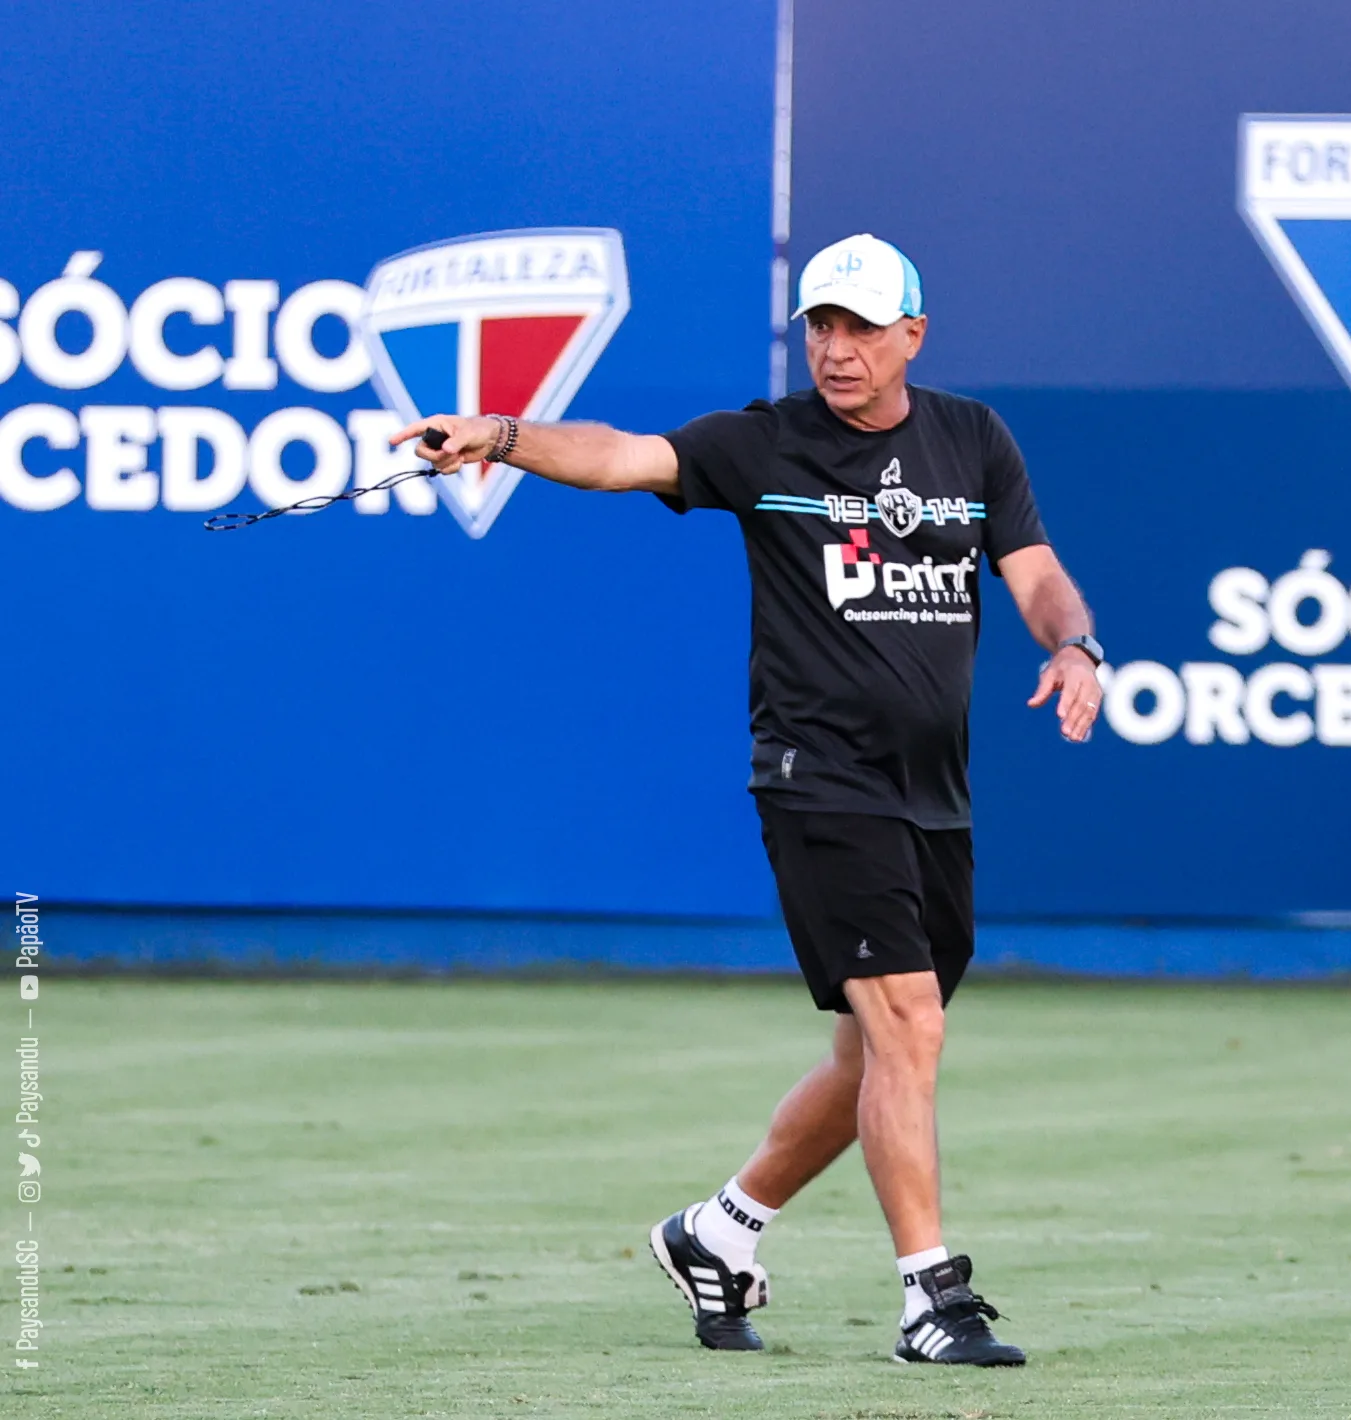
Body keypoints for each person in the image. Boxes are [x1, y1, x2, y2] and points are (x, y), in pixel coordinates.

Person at [394, 233, 1103, 1367]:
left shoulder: (972, 439)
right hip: (816, 782)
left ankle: (717, 1229)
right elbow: (622, 457)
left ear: (911, 336)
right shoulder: (763, 441)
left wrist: (1074, 646)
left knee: (874, 1053)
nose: (836, 347)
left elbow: (1031, 569)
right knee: (906, 1021)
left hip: (936, 797)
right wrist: (507, 436)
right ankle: (931, 1298)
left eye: (862, 327)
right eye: (820, 324)